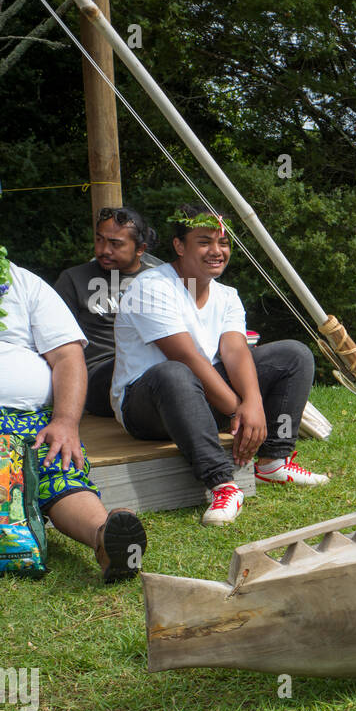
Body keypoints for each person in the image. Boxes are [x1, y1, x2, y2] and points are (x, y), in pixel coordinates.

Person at [0, 181, 146, 582]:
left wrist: (66, 421)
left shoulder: (23, 284)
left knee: (56, 471)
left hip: (25, 420)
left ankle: (106, 539)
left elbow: (67, 356)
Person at [111, 204, 328, 526]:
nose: (217, 251)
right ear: (180, 246)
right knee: (175, 372)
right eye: (204, 242)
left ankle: (273, 461)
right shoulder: (150, 287)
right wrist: (235, 412)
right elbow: (185, 356)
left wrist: (252, 405)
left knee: (293, 354)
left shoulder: (227, 295)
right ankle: (222, 484)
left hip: (202, 396)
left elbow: (236, 351)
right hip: (147, 405)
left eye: (223, 243)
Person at [53, 206, 162, 417]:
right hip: (98, 375)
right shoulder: (73, 279)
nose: (104, 250)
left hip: (151, 369)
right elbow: (55, 341)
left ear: (140, 249)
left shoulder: (160, 282)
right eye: (100, 240)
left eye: (115, 244)